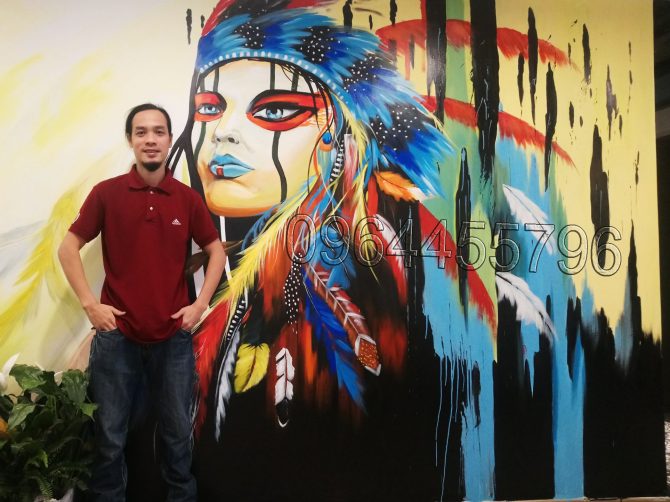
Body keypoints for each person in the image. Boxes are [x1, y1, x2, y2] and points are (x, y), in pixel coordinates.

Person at [166, 1, 495, 499]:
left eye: (275, 110)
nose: (222, 132)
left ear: (338, 137)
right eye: (209, 108)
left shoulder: (366, 273)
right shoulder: (237, 260)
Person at [58, 103, 226, 501]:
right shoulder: (107, 194)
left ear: (169, 139)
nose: (150, 139)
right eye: (141, 132)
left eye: (158, 131)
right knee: (109, 439)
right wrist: (90, 305)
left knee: (177, 438)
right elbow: (68, 248)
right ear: (131, 140)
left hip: (172, 339)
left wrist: (200, 304)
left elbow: (216, 251)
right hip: (117, 338)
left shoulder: (186, 199)